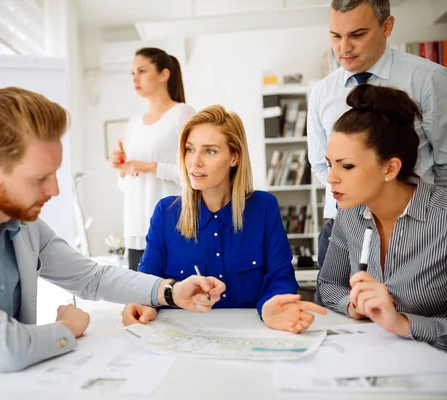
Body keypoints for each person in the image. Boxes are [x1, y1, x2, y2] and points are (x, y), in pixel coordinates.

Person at [0, 88, 226, 399]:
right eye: (41, 178)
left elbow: (91, 277)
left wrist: (169, 291)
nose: (55, 190)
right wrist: (66, 329)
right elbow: (2, 348)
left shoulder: (21, 221)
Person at [121, 105, 326, 333]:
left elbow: (280, 278)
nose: (194, 162)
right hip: (187, 341)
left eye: (209, 151)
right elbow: (147, 283)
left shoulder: (263, 208)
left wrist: (272, 306)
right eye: (190, 149)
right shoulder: (166, 213)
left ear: (234, 157)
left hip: (253, 338)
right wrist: (144, 304)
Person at [307, 0, 447, 279]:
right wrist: (356, 194)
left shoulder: (428, 78)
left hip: (415, 227)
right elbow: (320, 165)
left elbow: (445, 163)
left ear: (387, 26)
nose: (344, 48)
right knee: (340, 309)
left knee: (409, 313)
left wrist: (435, 219)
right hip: (340, 228)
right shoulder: (322, 93)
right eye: (336, 36)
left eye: (357, 35)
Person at [318, 84, 447, 352]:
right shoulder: (349, 214)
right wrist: (353, 305)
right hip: (370, 357)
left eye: (347, 166)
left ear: (390, 168)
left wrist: (402, 323)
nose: (331, 177)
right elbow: (329, 285)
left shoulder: (442, 219)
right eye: (330, 164)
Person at [109, 47, 196, 271]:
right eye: (132, 73)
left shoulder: (183, 114)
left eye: (141, 71)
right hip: (136, 231)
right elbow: (127, 186)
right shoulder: (134, 123)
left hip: (172, 227)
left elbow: (194, 173)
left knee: (178, 301)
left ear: (164, 74)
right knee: (139, 303)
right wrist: (122, 170)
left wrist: (150, 167)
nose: (134, 78)